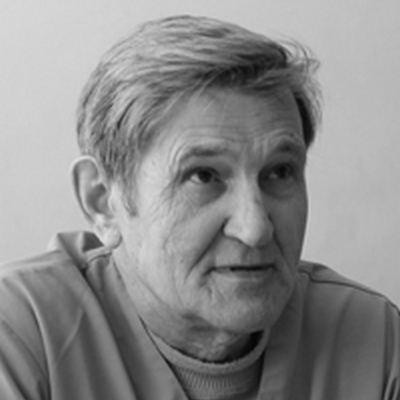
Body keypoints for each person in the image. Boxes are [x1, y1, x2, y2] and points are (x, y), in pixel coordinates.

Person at [0, 15, 399, 400]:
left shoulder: (374, 341)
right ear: (103, 200)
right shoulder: (19, 335)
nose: (255, 228)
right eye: (203, 176)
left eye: (279, 172)